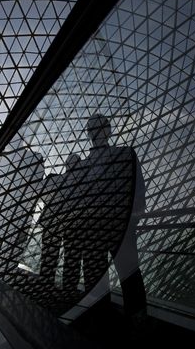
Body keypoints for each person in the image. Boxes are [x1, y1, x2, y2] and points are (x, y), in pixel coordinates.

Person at [62, 114, 147, 318]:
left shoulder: (126, 154)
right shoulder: (84, 166)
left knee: (129, 280)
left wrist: (132, 219)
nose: (97, 132)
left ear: (108, 130)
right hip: (97, 232)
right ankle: (110, 324)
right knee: (103, 282)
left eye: (99, 128)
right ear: (90, 134)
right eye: (94, 129)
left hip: (119, 229)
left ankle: (134, 324)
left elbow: (139, 190)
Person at [0, 136, 44, 277]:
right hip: (17, 214)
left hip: (8, 213)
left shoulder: (2, 161)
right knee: (8, 253)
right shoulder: (35, 157)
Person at [39, 153, 80, 284]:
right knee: (72, 260)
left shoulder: (53, 179)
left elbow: (41, 194)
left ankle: (45, 285)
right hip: (72, 225)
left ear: (65, 165)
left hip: (52, 224)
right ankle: (69, 289)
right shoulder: (82, 185)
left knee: (48, 258)